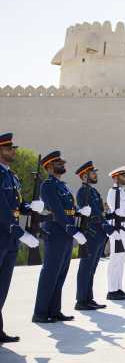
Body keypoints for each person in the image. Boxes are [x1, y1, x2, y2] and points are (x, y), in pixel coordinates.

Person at [33, 151, 90, 323]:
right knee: (50, 274)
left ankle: (55, 310)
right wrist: (72, 230)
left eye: (62, 162)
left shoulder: (63, 185)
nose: (63, 165)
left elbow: (68, 209)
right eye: (59, 163)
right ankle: (40, 313)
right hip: (56, 233)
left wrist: (78, 212)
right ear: (49, 167)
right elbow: (57, 211)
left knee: (61, 274)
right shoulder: (48, 185)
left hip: (65, 234)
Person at [0, 133, 42, 340]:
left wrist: (29, 207)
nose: (13, 151)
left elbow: (16, 205)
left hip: (10, 239)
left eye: (13, 148)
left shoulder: (12, 176)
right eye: (9, 149)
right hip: (2, 236)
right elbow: (2, 209)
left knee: (3, 287)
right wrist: (20, 233)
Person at [75, 161, 112, 310]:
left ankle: (88, 298)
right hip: (90, 234)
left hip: (98, 235)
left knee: (92, 268)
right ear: (84, 176)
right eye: (92, 173)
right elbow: (92, 213)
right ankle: (81, 300)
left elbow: (99, 210)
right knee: (86, 267)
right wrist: (104, 223)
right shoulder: (83, 192)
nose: (95, 175)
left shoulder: (94, 191)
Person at [106, 166, 125, 300]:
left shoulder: (124, 193)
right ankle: (112, 290)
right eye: (123, 176)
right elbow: (115, 212)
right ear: (116, 178)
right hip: (118, 229)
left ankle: (118, 288)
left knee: (121, 260)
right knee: (115, 260)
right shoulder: (113, 192)